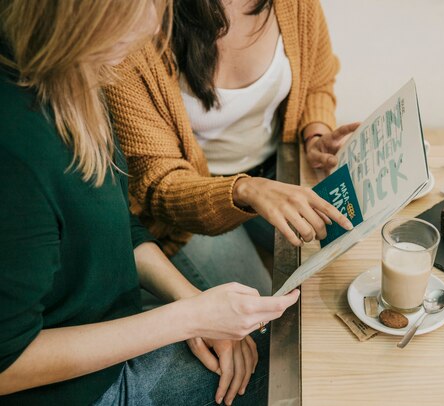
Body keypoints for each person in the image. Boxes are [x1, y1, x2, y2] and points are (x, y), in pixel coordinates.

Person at [0, 1, 299, 405]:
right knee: (283, 362)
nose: (150, 26)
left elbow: (120, 226)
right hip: (78, 389)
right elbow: (8, 364)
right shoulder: (17, 151)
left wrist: (191, 300)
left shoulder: (76, 80)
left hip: (113, 322)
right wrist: (185, 318)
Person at [105, 0, 356, 296]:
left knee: (343, 274)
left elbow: (317, 80)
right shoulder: (140, 24)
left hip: (279, 172)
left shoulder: (295, 6)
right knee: (262, 314)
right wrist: (245, 190)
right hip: (189, 211)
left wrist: (316, 134)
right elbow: (159, 184)